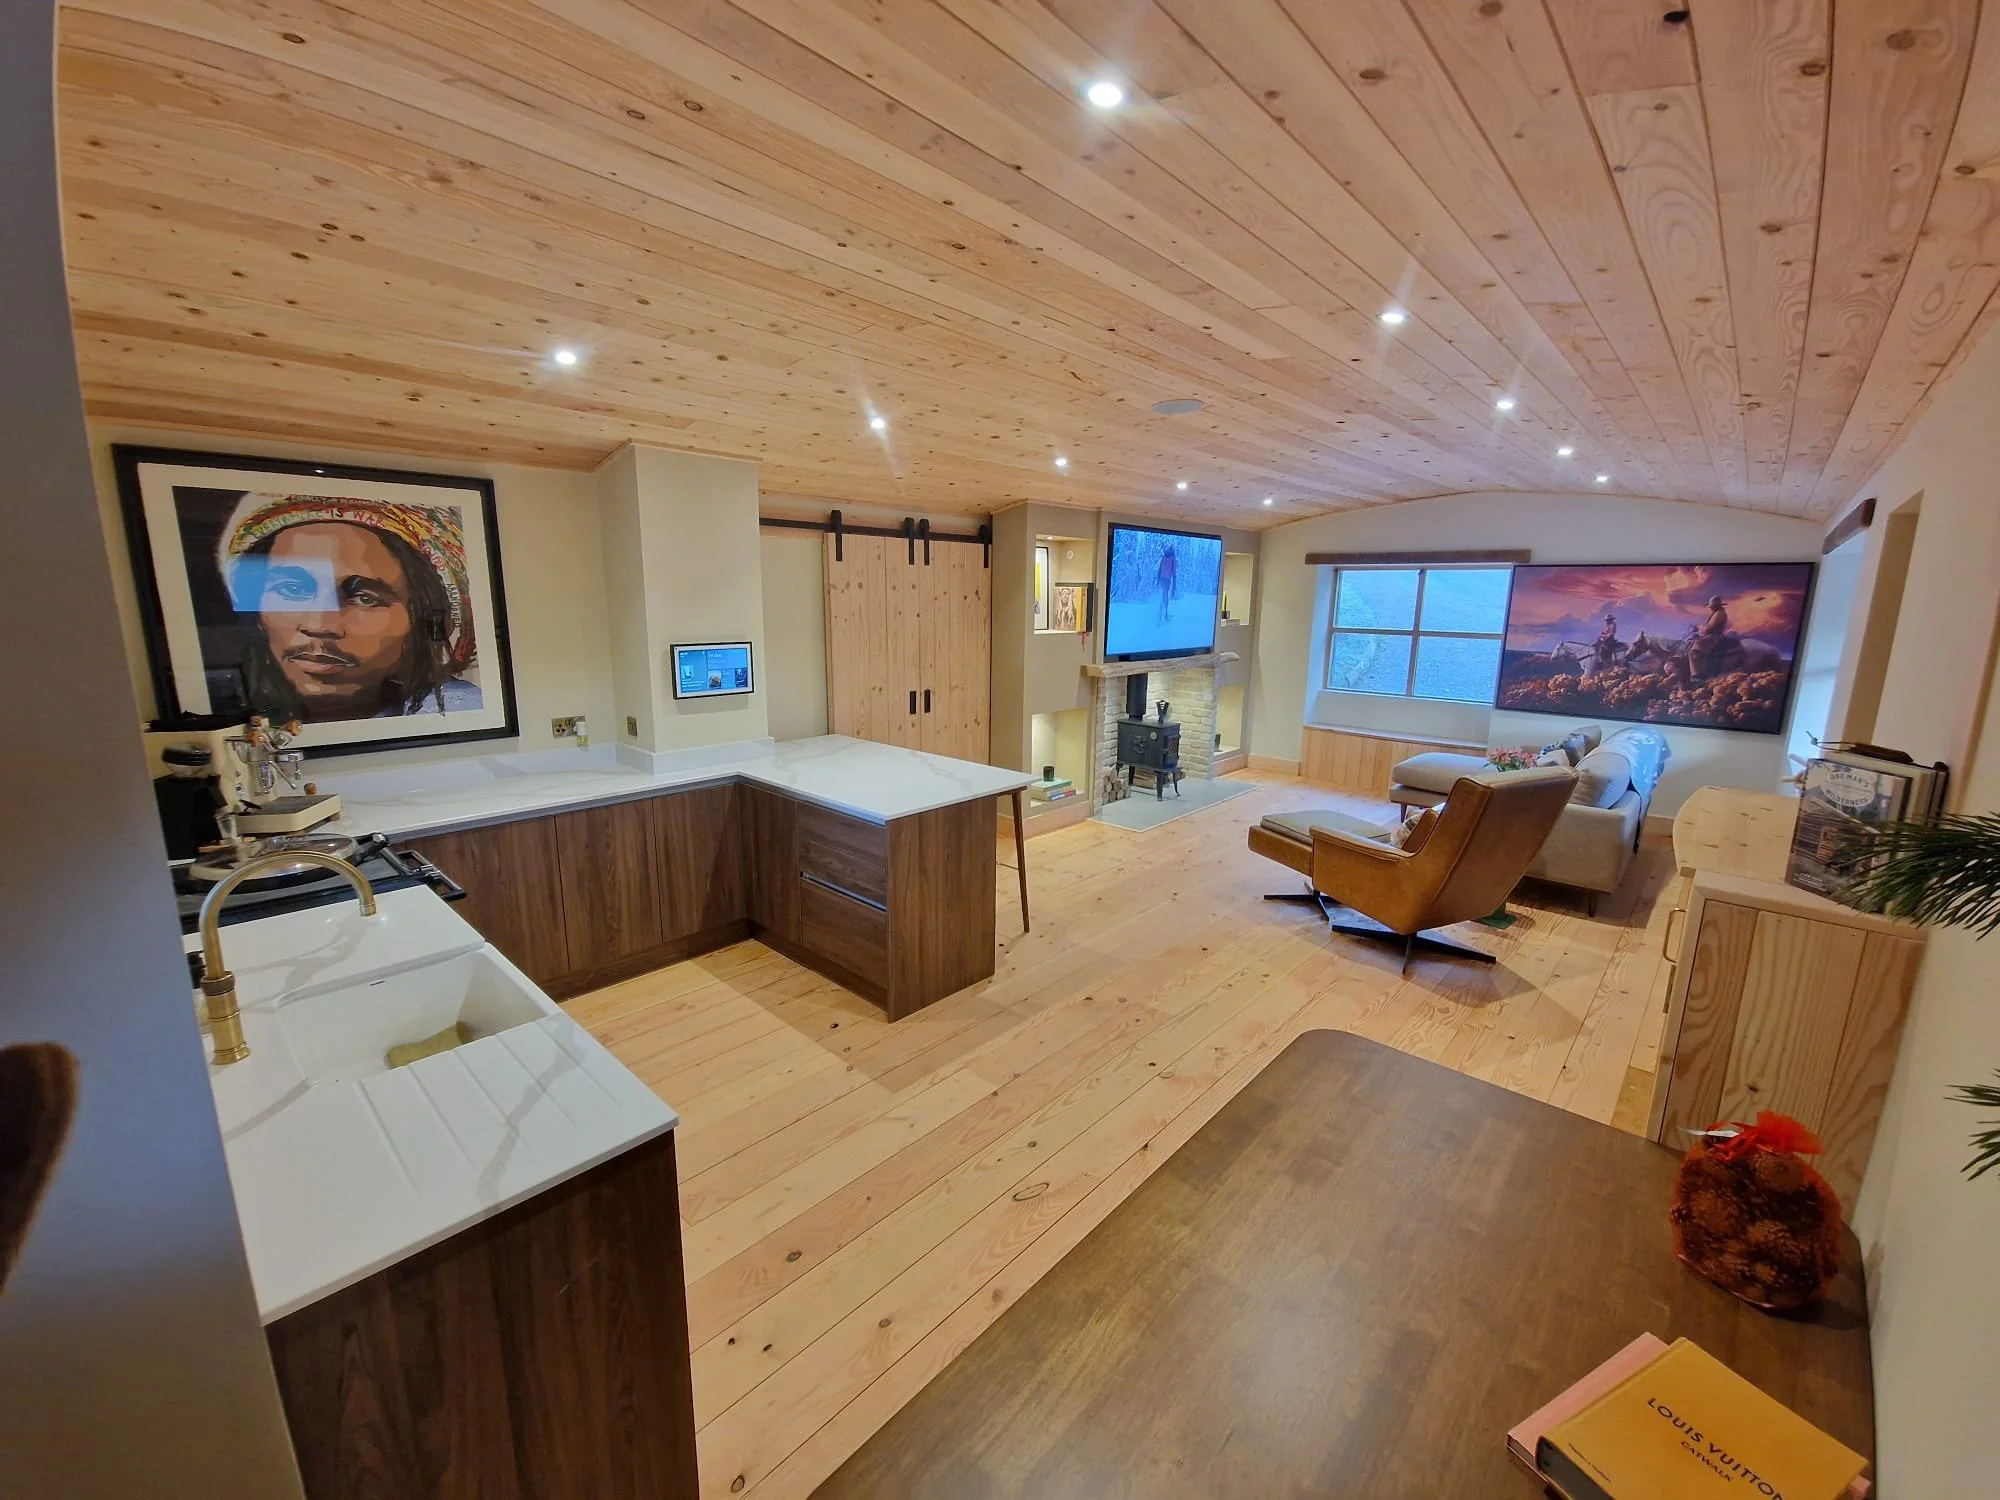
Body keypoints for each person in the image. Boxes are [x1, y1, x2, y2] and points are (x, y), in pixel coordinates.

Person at [218, 493, 483, 721]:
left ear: (426, 621)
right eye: (292, 590)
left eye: (365, 599)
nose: (319, 625)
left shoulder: (458, 712)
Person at [1687, 593, 1731, 682]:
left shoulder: (1719, 614)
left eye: (1712, 606)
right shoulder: (1717, 613)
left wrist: (1698, 628)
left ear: (1715, 606)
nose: (1710, 608)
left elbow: (1709, 629)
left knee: (1694, 650)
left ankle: (1697, 675)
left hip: (1714, 637)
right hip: (1712, 635)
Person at [1156, 543, 1178, 625]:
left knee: (1164, 596)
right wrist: (1174, 585)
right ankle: (1162, 616)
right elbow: (1174, 571)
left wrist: (1157, 581)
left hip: (1162, 578)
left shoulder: (1164, 556)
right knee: (1165, 597)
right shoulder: (1173, 558)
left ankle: (1163, 614)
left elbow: (1159, 568)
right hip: (1167, 579)